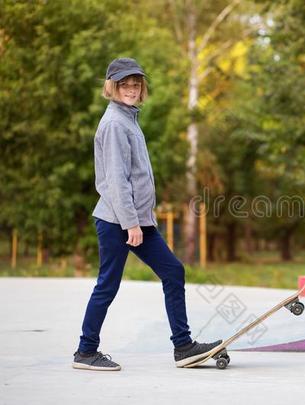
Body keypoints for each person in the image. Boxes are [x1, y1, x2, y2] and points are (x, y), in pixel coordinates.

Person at [72, 57, 221, 371]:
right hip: (119, 221)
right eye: (124, 83)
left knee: (173, 271)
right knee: (108, 285)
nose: (131, 88)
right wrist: (131, 224)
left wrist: (140, 219)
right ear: (112, 86)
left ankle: (183, 346)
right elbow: (115, 180)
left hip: (136, 220)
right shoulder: (114, 123)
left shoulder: (128, 119)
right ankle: (86, 352)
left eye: (135, 83)